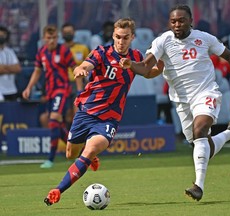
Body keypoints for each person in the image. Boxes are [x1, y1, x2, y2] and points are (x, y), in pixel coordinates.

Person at [119, 4, 230, 201]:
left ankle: (198, 186)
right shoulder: (163, 41)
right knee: (201, 144)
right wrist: (131, 65)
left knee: (200, 132)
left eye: (181, 20)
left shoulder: (204, 38)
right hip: (181, 101)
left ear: (190, 21)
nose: (177, 24)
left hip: (206, 92)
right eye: (173, 21)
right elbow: (146, 68)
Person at [43, 18, 143, 206]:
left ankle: (58, 189)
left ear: (132, 38)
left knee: (88, 151)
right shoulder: (102, 52)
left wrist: (161, 66)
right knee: (71, 154)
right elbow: (85, 65)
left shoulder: (136, 57)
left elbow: (149, 70)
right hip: (87, 111)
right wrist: (81, 70)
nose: (121, 42)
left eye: (126, 38)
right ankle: (89, 157)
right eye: (118, 37)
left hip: (109, 118)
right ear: (113, 36)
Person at [22, 24, 76, 168]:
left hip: (62, 90)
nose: (51, 41)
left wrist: (81, 90)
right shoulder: (41, 53)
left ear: (57, 38)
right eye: (49, 38)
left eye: (54, 38)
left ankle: (51, 159)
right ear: (44, 39)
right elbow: (37, 72)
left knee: (53, 120)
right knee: (58, 124)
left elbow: (75, 69)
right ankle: (80, 151)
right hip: (50, 92)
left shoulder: (63, 50)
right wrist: (28, 87)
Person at [61, 23, 90, 128]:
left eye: (70, 32)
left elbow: (89, 65)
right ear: (62, 34)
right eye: (65, 33)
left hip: (78, 82)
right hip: (63, 83)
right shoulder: (59, 50)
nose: (68, 34)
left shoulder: (83, 48)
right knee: (66, 115)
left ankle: (77, 138)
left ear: (74, 33)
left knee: (76, 113)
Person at [0, 26, 21, 101]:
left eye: (3, 36)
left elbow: (18, 68)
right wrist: (10, 68)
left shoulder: (10, 52)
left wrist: (4, 67)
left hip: (12, 90)